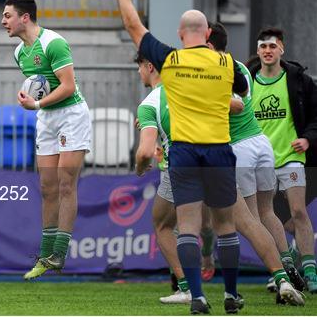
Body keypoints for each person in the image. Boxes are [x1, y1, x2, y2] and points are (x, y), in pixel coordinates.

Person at [109, 0, 248, 314]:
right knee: (225, 226)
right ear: (208, 35)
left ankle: (198, 297)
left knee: (186, 227)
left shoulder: (170, 61)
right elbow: (241, 99)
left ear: (180, 35)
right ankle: (231, 295)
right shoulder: (228, 64)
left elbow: (133, 27)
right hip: (220, 150)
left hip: (184, 152)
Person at [135, 55, 304, 307]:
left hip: (181, 167)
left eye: (138, 68)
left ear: (149, 67)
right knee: (245, 222)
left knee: (166, 225)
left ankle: (189, 289)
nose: (138, 73)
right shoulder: (193, 87)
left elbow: (145, 151)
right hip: (217, 160)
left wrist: (140, 165)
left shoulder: (149, 104)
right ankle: (280, 280)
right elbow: (235, 106)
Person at [207, 23, 307, 293]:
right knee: (267, 212)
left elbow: (234, 104)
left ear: (208, 45)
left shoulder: (216, 70)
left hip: (241, 149)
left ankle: (279, 274)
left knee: (251, 220)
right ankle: (286, 264)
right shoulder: (240, 66)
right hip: (261, 144)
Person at [1, 0, 91, 279]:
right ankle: (45, 255)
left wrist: (36, 103)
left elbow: (67, 86)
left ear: (24, 17)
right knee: (48, 187)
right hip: (47, 118)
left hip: (71, 115)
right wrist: (28, 96)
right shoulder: (19, 53)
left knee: (66, 185)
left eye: (7, 16)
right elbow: (39, 86)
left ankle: (59, 254)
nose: (3, 21)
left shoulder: (53, 43)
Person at [248, 27, 317, 294]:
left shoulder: (299, 81)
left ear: (281, 49)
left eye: (272, 46)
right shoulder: (247, 82)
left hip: (291, 157)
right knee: (270, 217)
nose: (267, 51)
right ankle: (285, 267)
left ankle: (310, 271)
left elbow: (314, 115)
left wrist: (308, 139)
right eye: (263, 46)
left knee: (298, 211)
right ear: (258, 51)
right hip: (260, 161)